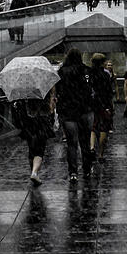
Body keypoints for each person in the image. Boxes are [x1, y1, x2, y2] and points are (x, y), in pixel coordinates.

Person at [57, 48, 95, 181]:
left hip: (68, 111)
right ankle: (87, 169)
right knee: (85, 142)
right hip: (85, 110)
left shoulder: (62, 72)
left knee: (72, 144)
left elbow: (59, 92)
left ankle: (73, 172)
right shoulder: (87, 71)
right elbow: (91, 90)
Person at [13, 87, 55, 185]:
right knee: (40, 150)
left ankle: (33, 172)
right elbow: (50, 107)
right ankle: (34, 172)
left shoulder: (24, 88)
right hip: (42, 120)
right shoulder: (44, 87)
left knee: (31, 148)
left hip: (28, 121)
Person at [90, 53, 114, 163]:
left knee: (93, 128)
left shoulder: (89, 74)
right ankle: (100, 154)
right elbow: (109, 92)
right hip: (104, 104)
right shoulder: (106, 75)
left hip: (92, 104)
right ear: (102, 63)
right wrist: (110, 105)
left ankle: (91, 148)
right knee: (104, 128)